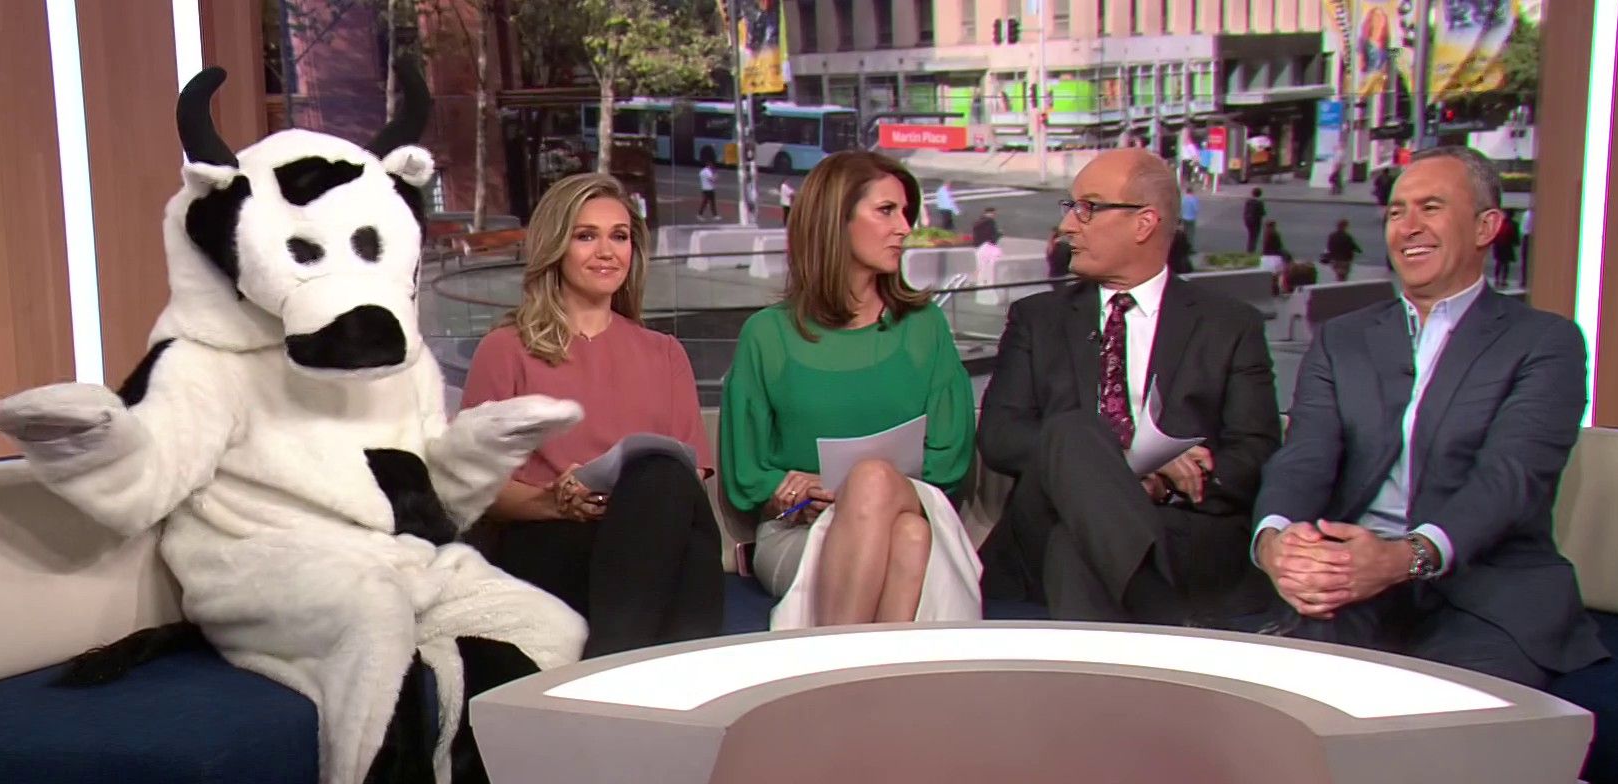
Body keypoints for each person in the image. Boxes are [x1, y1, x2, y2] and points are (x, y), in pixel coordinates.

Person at [1250, 146, 1608, 689]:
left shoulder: (1544, 343)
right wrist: (1276, 542)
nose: (1408, 226)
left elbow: (1510, 479)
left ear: (1487, 226)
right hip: (1349, 582)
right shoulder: (1344, 340)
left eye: (1431, 208)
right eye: (1397, 211)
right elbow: (1304, 457)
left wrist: (1402, 558)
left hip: (1483, 592)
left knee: (1444, 709)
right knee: (1283, 695)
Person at [977, 148, 1284, 627]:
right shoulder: (1037, 319)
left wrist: (1163, 481)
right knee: (1073, 432)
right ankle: (1161, 615)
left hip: (1177, 528)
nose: (1068, 226)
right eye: (1071, 208)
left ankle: (1130, 631)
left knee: (1073, 551)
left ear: (1144, 223)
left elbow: (1256, 453)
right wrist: (1120, 461)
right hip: (1045, 513)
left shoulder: (1229, 325)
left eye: (1088, 208)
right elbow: (1000, 435)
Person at [461, 173, 722, 659]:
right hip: (551, 536)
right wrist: (556, 502)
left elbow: (692, 476)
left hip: (649, 531)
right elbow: (478, 484)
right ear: (556, 246)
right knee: (678, 552)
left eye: (619, 237)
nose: (607, 252)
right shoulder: (505, 349)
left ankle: (609, 660)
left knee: (664, 477)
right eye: (586, 236)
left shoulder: (664, 353)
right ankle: (629, 669)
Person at [719, 150, 979, 627]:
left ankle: (832, 655)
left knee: (877, 485)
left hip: (912, 507)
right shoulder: (767, 334)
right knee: (908, 540)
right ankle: (874, 668)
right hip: (799, 530)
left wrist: (851, 489)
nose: (904, 228)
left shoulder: (925, 326)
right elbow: (745, 473)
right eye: (886, 211)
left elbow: (949, 458)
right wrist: (792, 493)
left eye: (905, 213)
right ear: (835, 220)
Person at [1491, 208, 1518, 289]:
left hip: (1498, 245)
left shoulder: (1499, 222)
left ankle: (1496, 280)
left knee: (1498, 263)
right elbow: (1515, 237)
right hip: (1507, 246)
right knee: (1506, 264)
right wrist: (1516, 243)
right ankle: (1504, 280)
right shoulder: (1513, 224)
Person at [1243, 186, 1266, 252]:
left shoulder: (1248, 201)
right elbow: (1262, 213)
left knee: (1250, 235)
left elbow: (1245, 211)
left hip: (1248, 221)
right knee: (1254, 237)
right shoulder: (1259, 203)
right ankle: (1251, 250)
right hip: (1256, 222)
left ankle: (1249, 249)